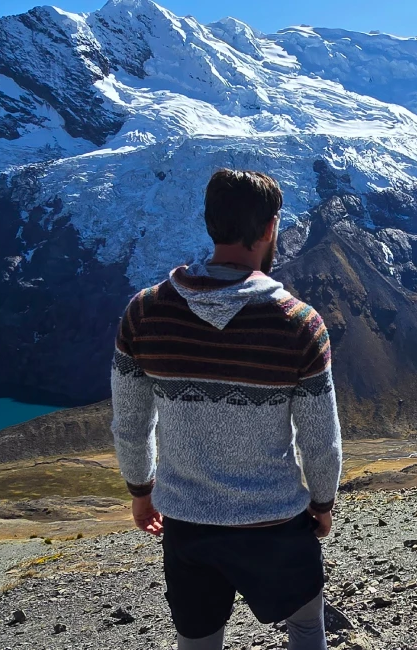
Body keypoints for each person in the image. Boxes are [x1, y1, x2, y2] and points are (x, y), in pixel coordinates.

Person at [110, 169, 342, 650]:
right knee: (304, 626)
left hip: (186, 525)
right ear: (270, 228)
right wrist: (321, 503)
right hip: (275, 522)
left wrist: (141, 490)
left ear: (210, 222)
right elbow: (321, 439)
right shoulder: (299, 324)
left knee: (197, 640)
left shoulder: (144, 312)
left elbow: (131, 425)